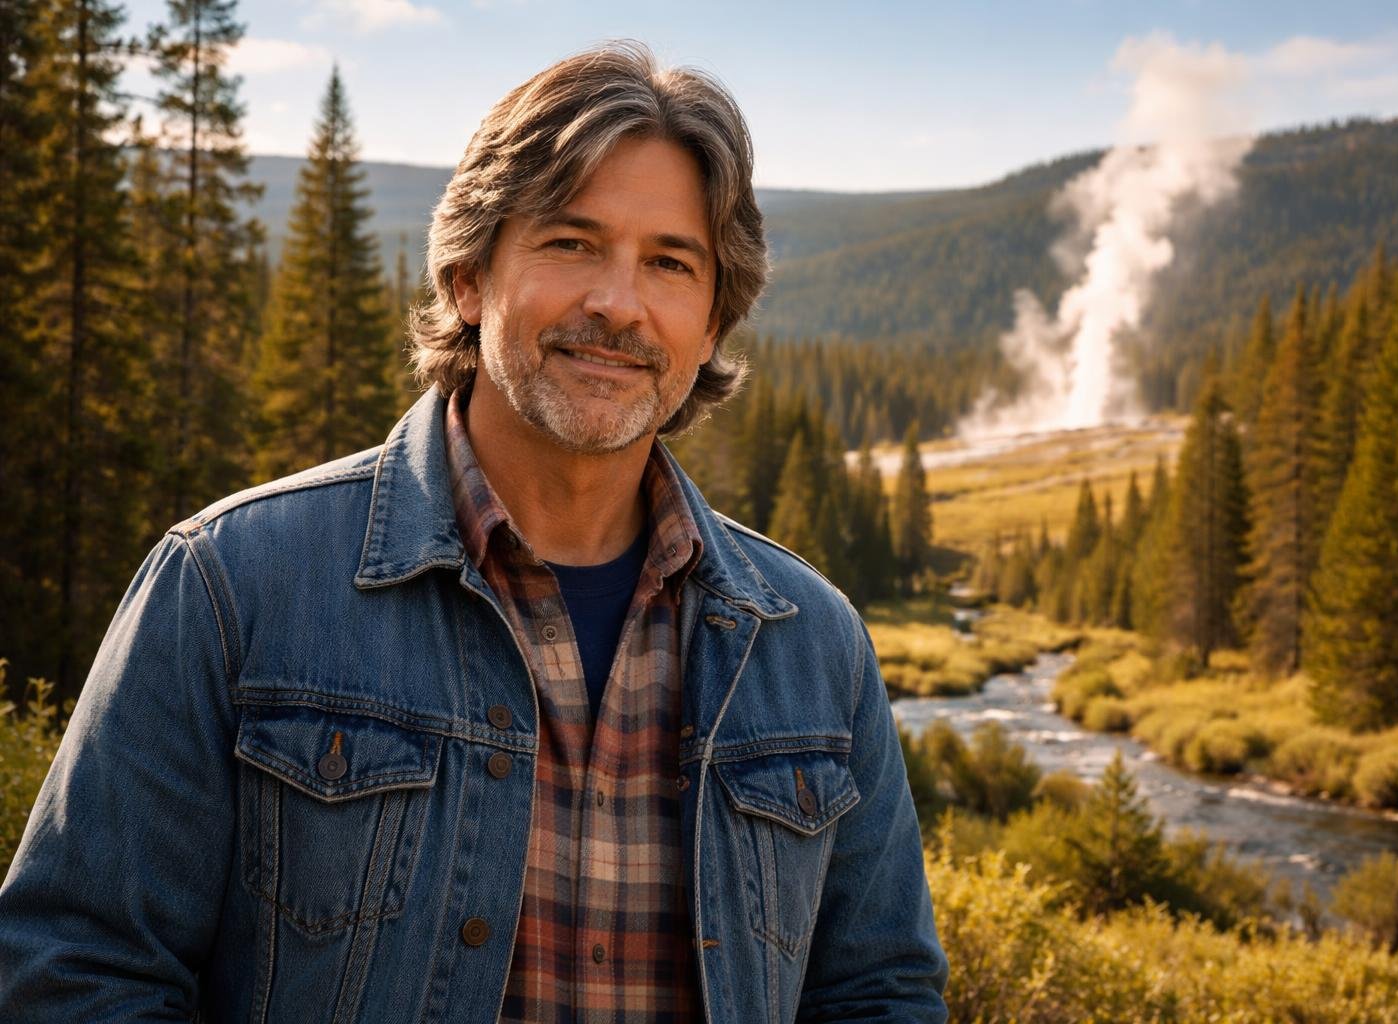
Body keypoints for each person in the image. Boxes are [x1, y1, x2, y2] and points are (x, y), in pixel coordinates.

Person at [0, 41, 947, 1023]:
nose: (617, 304)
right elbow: (75, 972)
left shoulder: (811, 644)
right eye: (571, 243)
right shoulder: (231, 586)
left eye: (669, 263)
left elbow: (882, 994)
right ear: (467, 274)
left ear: (712, 323)